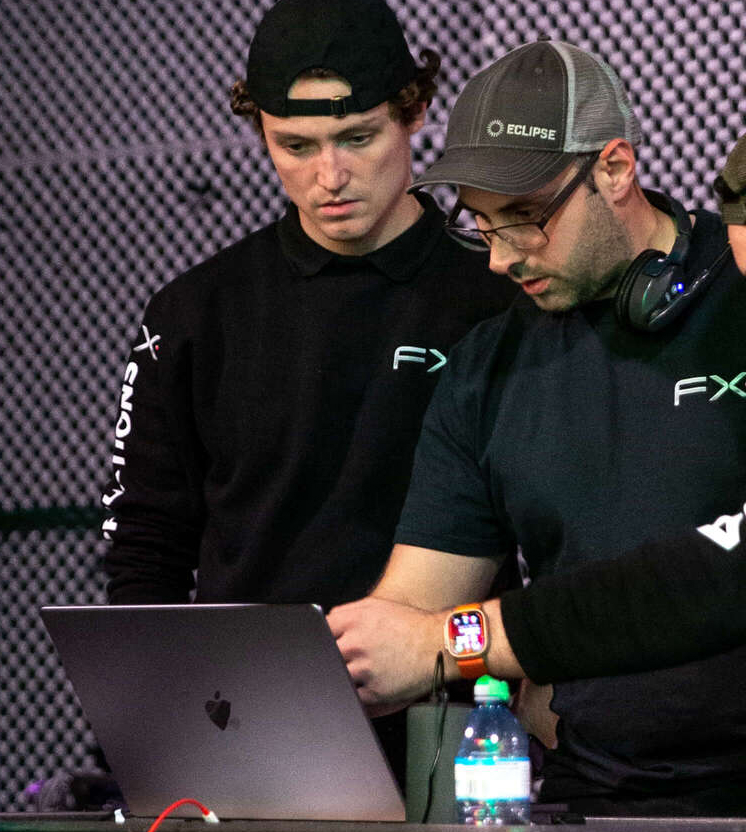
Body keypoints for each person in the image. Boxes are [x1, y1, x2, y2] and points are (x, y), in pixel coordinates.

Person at [328, 47, 746, 817]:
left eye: (527, 218)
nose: (501, 257)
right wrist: (353, 666)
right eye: (481, 225)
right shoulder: (484, 372)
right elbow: (413, 627)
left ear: (613, 169)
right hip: (593, 796)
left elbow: (727, 572)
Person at [101, 0, 514, 620]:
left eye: (358, 138)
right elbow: (145, 544)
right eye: (295, 146)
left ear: (416, 113)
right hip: (242, 702)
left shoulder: (501, 296)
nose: (331, 176)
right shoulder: (194, 312)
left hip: (452, 700)